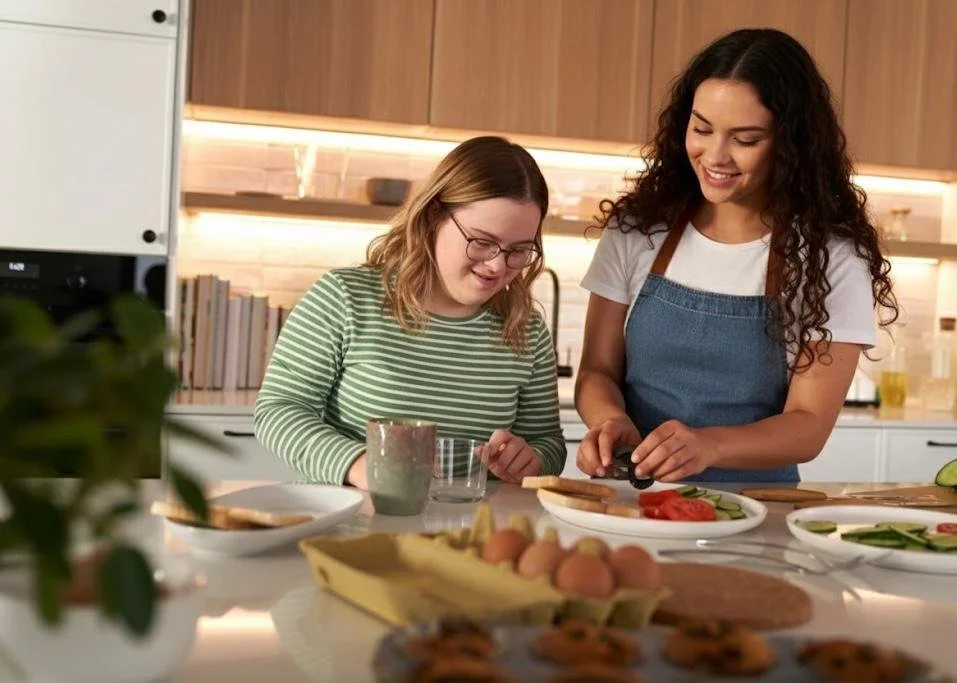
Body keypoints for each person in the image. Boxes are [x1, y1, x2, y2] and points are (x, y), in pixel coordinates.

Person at [575, 28, 898, 484]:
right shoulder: (640, 228)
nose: (715, 156)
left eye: (745, 140)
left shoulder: (831, 259)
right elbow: (597, 370)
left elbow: (809, 424)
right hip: (630, 496)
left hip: (758, 508)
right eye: (701, 128)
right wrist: (609, 420)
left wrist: (710, 446)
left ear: (791, 145)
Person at [255, 136, 566, 488]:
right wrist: (361, 465)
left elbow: (548, 442)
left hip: (471, 530)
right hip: (350, 524)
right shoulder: (345, 298)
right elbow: (279, 410)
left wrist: (532, 458)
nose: (497, 266)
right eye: (482, 242)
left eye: (519, 250)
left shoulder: (526, 328)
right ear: (434, 214)